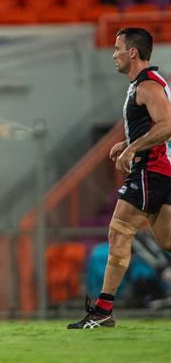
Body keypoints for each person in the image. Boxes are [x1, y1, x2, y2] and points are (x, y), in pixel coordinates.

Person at [68, 27, 171, 329]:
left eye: (117, 48)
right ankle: (104, 311)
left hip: (151, 171)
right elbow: (156, 125)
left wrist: (133, 150)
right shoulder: (145, 84)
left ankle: (103, 310)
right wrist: (127, 143)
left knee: (119, 232)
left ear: (133, 53)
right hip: (158, 170)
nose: (113, 54)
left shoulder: (148, 86)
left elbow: (167, 126)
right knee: (166, 238)